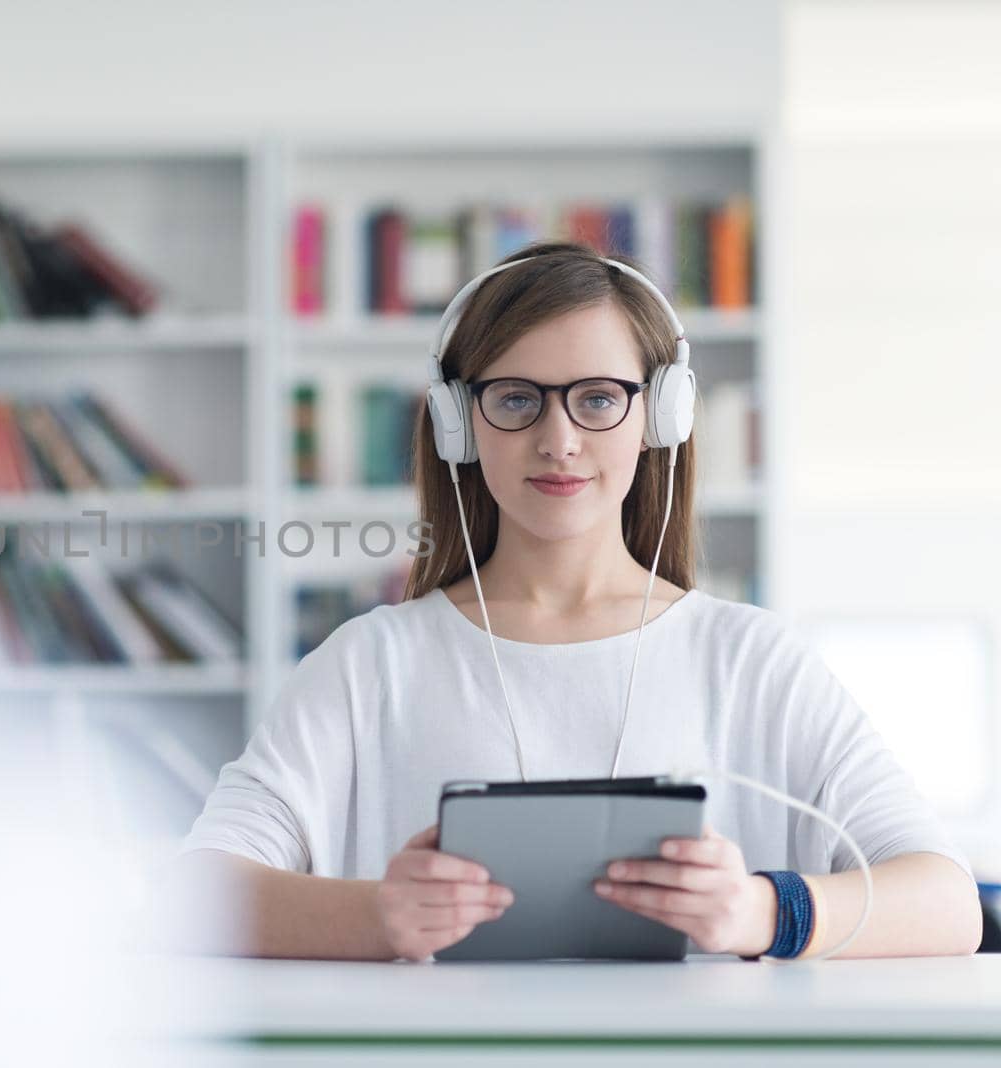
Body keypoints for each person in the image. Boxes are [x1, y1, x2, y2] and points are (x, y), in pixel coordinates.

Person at [148, 241, 982, 963]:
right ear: (457, 424)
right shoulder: (371, 664)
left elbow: (948, 905)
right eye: (515, 398)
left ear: (658, 416)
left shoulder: (752, 659)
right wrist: (376, 916)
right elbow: (192, 894)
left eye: (597, 397)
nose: (559, 439)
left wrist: (764, 910)